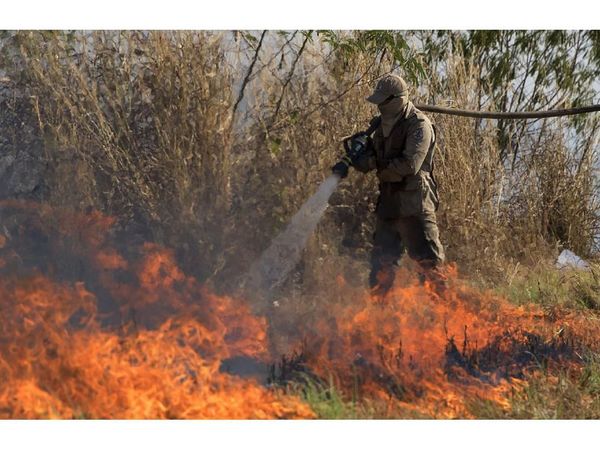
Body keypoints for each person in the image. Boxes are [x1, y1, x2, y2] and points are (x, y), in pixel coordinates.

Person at [334, 74, 445, 295]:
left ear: (396, 99)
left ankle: (444, 319)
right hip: (389, 205)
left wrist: (376, 164)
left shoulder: (419, 126)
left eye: (383, 102)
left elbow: (409, 165)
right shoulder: (381, 126)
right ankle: (380, 318)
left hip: (414, 205)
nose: (379, 107)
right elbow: (372, 160)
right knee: (381, 267)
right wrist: (356, 158)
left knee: (429, 265)